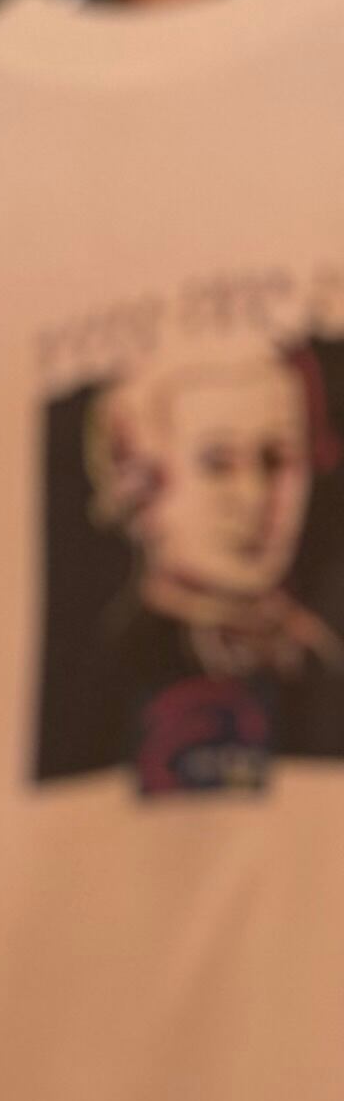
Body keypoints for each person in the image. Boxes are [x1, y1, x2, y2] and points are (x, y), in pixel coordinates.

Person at [47, 337, 344, 791]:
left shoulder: (316, 658)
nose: (254, 497)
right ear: (137, 481)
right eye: (217, 462)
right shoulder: (108, 676)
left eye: (277, 459)